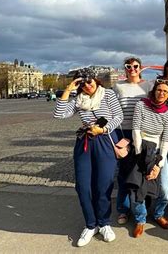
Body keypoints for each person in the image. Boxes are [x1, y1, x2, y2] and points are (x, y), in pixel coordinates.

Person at [53, 68, 123, 247]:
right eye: (82, 84)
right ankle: (90, 224)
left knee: (103, 185)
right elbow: (59, 114)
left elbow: (118, 116)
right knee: (83, 186)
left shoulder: (107, 94)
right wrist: (69, 89)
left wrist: (104, 129)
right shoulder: (78, 99)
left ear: (96, 80)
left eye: (89, 81)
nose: (87, 86)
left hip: (105, 140)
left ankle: (104, 223)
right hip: (84, 142)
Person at [127, 81, 168, 237]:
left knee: (165, 190)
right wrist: (141, 156)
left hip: (158, 152)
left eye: (165, 92)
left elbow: (165, 140)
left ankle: (159, 213)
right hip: (140, 149)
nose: (161, 93)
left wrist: (158, 165)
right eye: (159, 90)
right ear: (154, 91)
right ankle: (141, 220)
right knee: (138, 187)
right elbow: (136, 129)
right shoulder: (142, 105)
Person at [113, 57, 152, 225]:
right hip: (124, 132)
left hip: (144, 133)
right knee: (123, 173)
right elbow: (112, 109)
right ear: (125, 69)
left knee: (141, 172)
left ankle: (143, 206)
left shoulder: (148, 85)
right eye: (128, 66)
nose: (132, 69)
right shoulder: (118, 86)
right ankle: (123, 208)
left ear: (140, 68)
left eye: (135, 66)